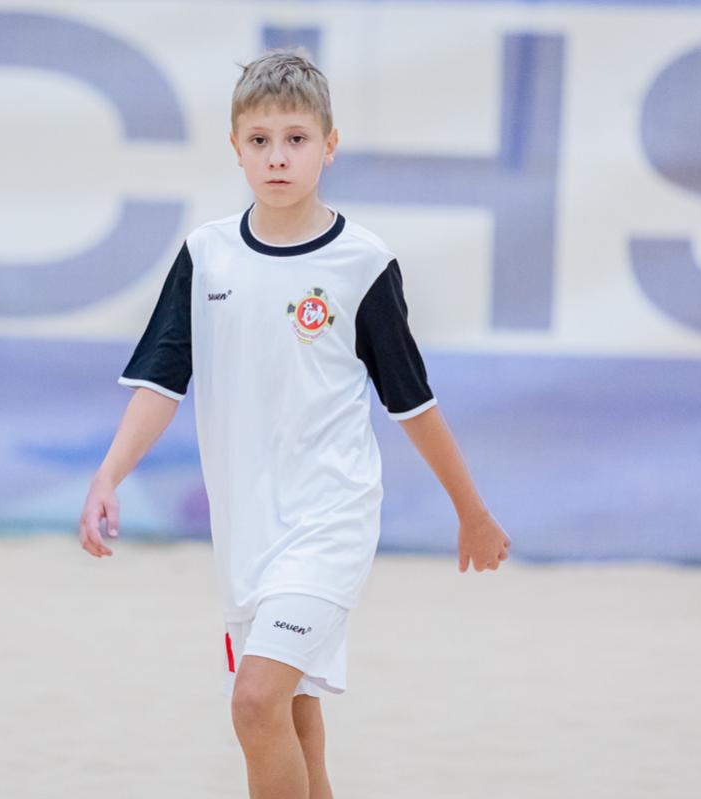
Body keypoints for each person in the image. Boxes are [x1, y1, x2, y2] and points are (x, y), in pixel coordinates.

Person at [78, 49, 511, 799]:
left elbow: (412, 403)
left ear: (329, 145)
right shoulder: (205, 255)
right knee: (295, 717)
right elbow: (160, 383)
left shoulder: (362, 263)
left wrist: (470, 511)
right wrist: (108, 474)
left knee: (253, 702)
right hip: (245, 532)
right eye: (260, 140)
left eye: (296, 139)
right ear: (235, 147)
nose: (277, 156)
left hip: (330, 520)